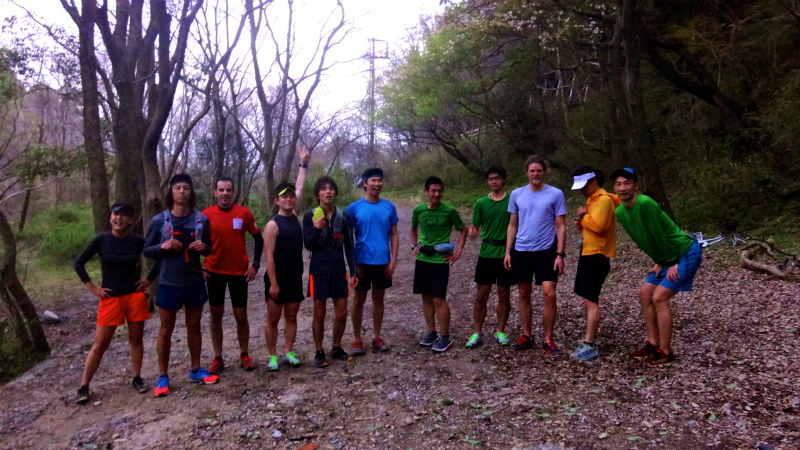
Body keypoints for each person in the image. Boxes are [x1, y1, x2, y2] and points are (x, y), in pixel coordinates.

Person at [612, 167, 702, 365]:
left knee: (659, 298)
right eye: (618, 184)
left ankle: (666, 351)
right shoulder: (620, 211)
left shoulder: (646, 203)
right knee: (645, 293)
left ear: (635, 186)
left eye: (627, 183)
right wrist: (660, 262)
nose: (622, 188)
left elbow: (660, 234)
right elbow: (646, 238)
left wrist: (672, 262)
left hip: (685, 253)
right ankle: (653, 342)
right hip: (667, 257)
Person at [73, 202, 157, 404]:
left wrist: (148, 280)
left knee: (136, 339)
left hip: (134, 296)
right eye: (115, 215)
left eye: (124, 215)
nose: (119, 218)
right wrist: (93, 288)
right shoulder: (102, 240)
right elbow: (79, 262)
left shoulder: (137, 241)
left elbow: (159, 257)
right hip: (110, 298)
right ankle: (84, 386)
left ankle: (137, 378)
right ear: (110, 218)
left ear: (130, 220)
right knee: (100, 343)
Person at [144, 173, 217, 397]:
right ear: (172, 193)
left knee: (194, 326)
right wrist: (163, 246)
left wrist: (203, 248)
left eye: (186, 188)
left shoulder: (201, 220)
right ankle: (163, 375)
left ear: (191, 193)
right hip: (168, 282)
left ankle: (196, 369)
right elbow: (147, 249)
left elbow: (210, 247)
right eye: (178, 188)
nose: (182, 191)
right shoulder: (159, 221)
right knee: (166, 329)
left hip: (194, 280)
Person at [504, 155, 567, 357]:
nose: (535, 174)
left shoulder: (555, 194)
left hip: (546, 250)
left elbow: (561, 225)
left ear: (544, 171)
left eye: (539, 170)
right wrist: (508, 251)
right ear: (527, 173)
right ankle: (526, 335)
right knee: (524, 293)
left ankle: (548, 339)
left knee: (550, 293)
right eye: (532, 171)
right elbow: (513, 224)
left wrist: (560, 254)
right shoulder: (517, 194)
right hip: (521, 250)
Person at [202, 177, 263, 375]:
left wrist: (255, 265)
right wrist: (199, 268)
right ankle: (217, 357)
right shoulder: (205, 215)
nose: (225, 193)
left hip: (238, 272)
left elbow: (258, 239)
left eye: (228, 190)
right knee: (216, 315)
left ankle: (244, 354)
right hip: (214, 272)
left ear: (233, 193)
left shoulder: (243, 213)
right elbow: (195, 243)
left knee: (241, 315)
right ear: (215, 193)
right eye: (221, 190)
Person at [303, 176, 358, 368]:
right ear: (317, 194)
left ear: (335, 192)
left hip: (337, 269)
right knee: (319, 313)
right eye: (323, 189)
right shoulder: (310, 216)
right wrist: (317, 229)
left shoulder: (343, 217)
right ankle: (319, 351)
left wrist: (353, 271)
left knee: (341, 312)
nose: (328, 192)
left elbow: (349, 246)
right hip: (318, 270)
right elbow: (308, 244)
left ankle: (336, 347)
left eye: (331, 188)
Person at [263, 147, 309, 370]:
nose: (290, 199)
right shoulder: (273, 225)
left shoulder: (296, 216)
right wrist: (273, 283)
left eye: (291, 196)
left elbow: (299, 187)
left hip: (294, 277)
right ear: (277, 201)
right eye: (285, 197)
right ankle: (272, 356)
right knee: (273, 318)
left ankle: (288, 351)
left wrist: (303, 163)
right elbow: (268, 256)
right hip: (277, 279)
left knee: (292, 316)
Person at [411, 176, 468, 352]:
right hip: (423, 260)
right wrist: (414, 245)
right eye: (433, 191)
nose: (437, 194)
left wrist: (458, 251)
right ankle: (431, 332)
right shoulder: (418, 210)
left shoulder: (449, 211)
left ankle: (445, 337)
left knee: (438, 298)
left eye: (439, 191)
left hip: (440, 260)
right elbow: (413, 228)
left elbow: (463, 229)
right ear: (426, 192)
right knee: (426, 297)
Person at [569, 166, 620, 361]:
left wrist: (583, 216)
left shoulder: (604, 200)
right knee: (587, 298)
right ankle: (591, 338)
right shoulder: (593, 200)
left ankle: (589, 344)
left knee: (591, 300)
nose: (582, 190)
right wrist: (583, 225)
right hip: (588, 252)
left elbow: (600, 227)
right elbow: (593, 226)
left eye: (584, 185)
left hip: (597, 256)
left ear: (594, 181)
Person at [346, 168, 399, 355]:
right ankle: (357, 340)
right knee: (358, 301)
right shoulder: (354, 208)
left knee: (379, 299)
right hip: (362, 262)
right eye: (373, 181)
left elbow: (394, 234)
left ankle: (377, 337)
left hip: (382, 261)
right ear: (365, 183)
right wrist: (353, 265)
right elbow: (348, 237)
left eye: (380, 180)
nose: (377, 184)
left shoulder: (389, 207)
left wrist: (393, 261)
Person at [466, 166, 513, 348]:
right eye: (490, 179)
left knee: (503, 293)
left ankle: (500, 330)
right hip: (486, 252)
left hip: (505, 252)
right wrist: (472, 231)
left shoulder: (511, 201)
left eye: (497, 178)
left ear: (503, 180)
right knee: (481, 294)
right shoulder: (481, 203)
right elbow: (475, 226)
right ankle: (477, 332)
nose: (494, 181)